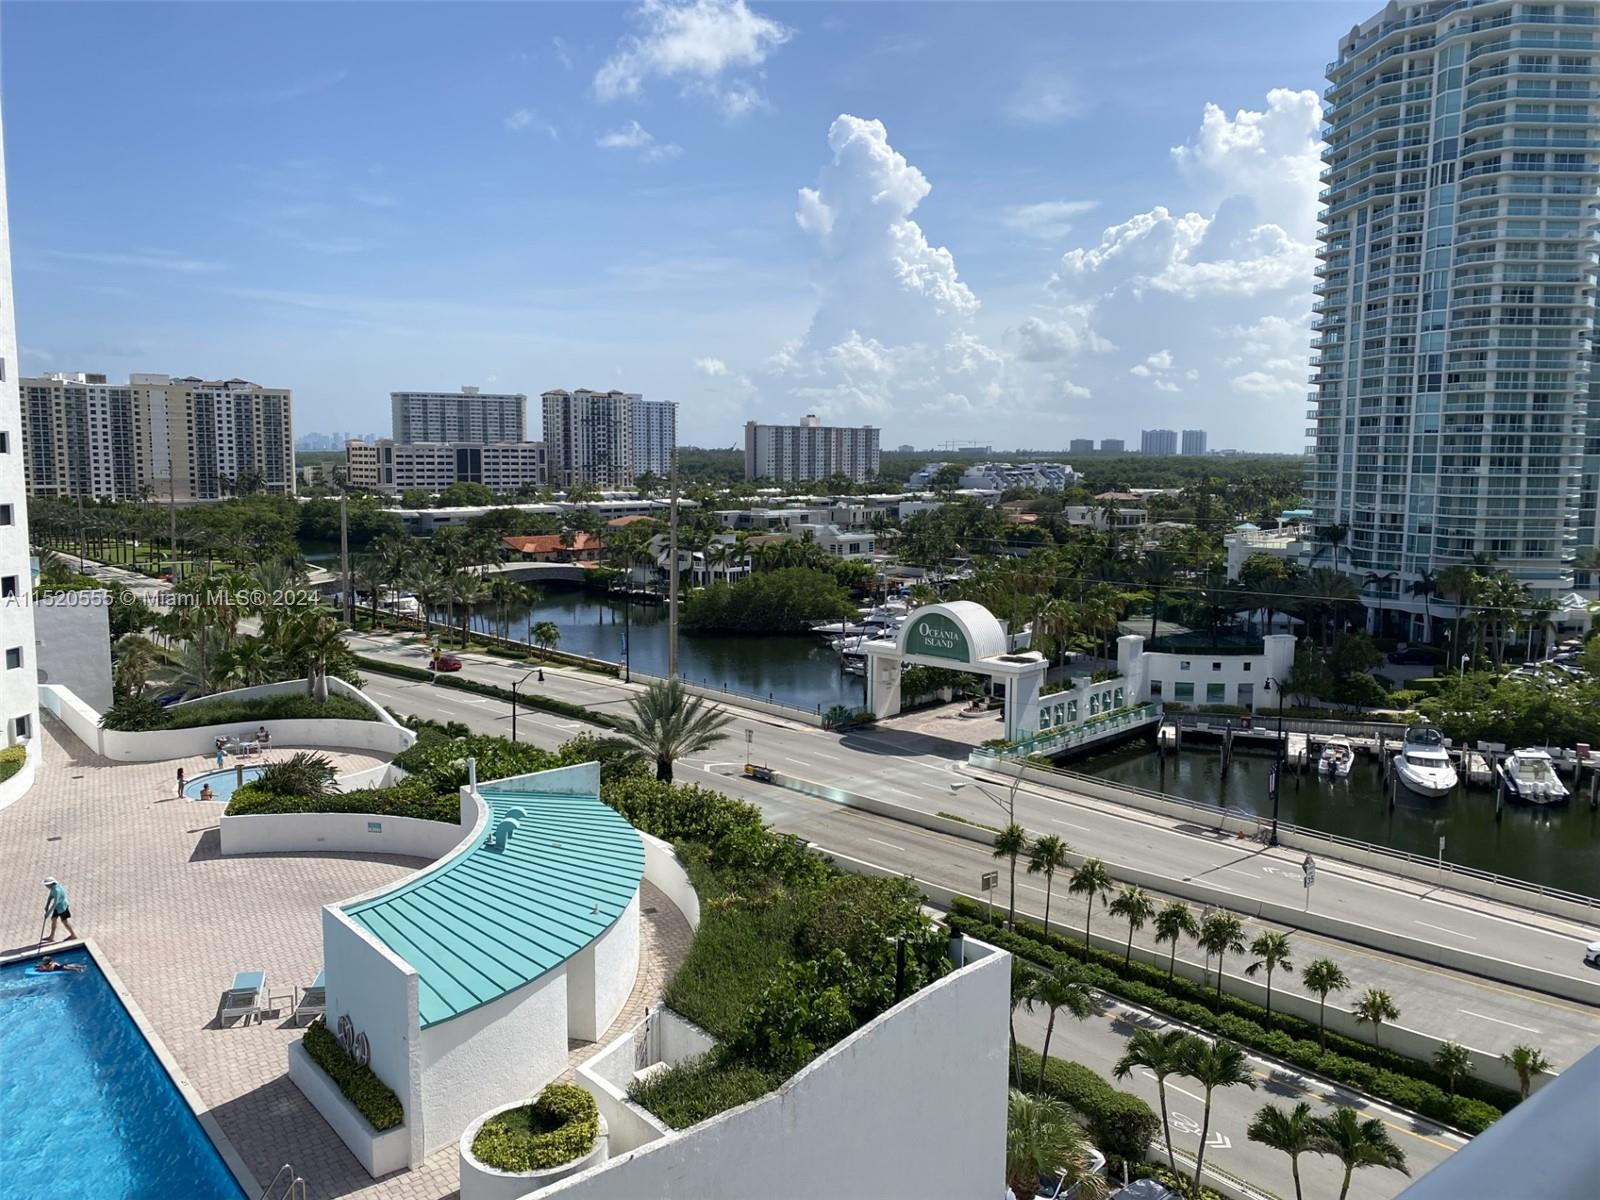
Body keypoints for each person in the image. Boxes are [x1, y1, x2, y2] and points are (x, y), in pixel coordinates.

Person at [41, 877, 77, 943]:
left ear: (50, 884)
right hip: (57, 907)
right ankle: (51, 937)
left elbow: (55, 902)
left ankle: (73, 935)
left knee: (64, 922)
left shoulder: (57, 890)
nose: (46, 886)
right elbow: (50, 896)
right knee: (53, 919)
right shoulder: (53, 888)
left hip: (62, 907)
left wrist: (48, 913)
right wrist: (47, 905)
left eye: (46, 885)